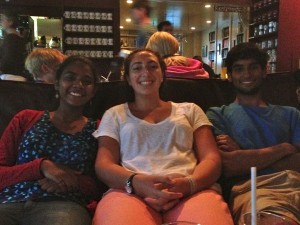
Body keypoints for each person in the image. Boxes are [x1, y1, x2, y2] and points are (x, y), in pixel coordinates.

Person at [92, 49, 233, 225]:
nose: (146, 73)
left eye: (152, 66)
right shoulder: (114, 114)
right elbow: (103, 165)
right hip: (129, 192)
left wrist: (188, 184)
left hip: (192, 189)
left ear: (162, 75)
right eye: (137, 68)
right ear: (128, 78)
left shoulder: (190, 110)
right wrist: (136, 183)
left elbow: (211, 157)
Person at [206, 43, 300, 225]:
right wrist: (285, 148)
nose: (247, 75)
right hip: (255, 190)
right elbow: (228, 165)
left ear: (265, 71)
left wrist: (243, 152)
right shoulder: (217, 115)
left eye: (253, 67)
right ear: (230, 76)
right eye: (239, 69)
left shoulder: (292, 114)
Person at [0, 56, 101, 225]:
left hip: (63, 205)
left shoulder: (99, 128)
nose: (78, 84)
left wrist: (71, 181)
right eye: (70, 77)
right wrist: (41, 167)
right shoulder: (25, 118)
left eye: (87, 80)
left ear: (93, 91)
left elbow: (101, 185)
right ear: (56, 84)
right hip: (9, 202)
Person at [0, 10, 26, 79]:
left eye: (2, 19)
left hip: (10, 76)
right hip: (16, 74)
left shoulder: (11, 38)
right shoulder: (19, 37)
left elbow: (7, 60)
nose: (0, 21)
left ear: (10, 22)